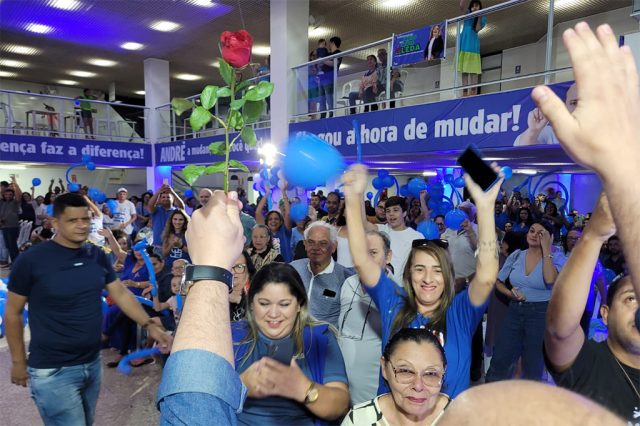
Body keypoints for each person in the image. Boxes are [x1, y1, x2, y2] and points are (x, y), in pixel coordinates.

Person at [5, 193, 171, 425]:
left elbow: (120, 293)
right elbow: (12, 313)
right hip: (53, 370)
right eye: (73, 220)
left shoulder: (96, 255)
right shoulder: (32, 260)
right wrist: (19, 362)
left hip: (91, 364)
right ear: (55, 223)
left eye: (86, 219)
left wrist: (150, 325)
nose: (82, 225)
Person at [343, 163, 503, 398]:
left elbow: (487, 275)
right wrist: (352, 198)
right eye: (420, 269)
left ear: (448, 276)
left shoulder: (460, 312)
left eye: (437, 270)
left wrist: (486, 208)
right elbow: (362, 259)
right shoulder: (394, 303)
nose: (428, 278)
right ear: (408, 274)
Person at [544, 193, 639, 423]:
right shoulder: (590, 363)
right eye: (630, 299)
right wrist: (593, 236)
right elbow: (560, 330)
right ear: (605, 314)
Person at [232, 262, 349, 424]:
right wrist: (240, 386)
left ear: (299, 305)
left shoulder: (318, 339)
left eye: (284, 304)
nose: (273, 313)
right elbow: (202, 398)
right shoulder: (232, 336)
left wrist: (303, 389)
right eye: (264, 304)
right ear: (251, 304)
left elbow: (340, 405)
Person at [485, 221, 563, 382]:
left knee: (533, 365)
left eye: (540, 233)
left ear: (549, 237)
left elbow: (550, 279)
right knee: (500, 358)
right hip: (514, 310)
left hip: (540, 315)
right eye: (532, 231)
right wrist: (509, 293)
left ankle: (528, 404)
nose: (534, 235)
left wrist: (547, 248)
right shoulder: (517, 255)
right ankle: (490, 400)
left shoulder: (557, 258)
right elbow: (498, 281)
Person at [342, 328, 451, 425]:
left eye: (430, 374)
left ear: (443, 371)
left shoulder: (464, 418)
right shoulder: (359, 420)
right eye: (405, 371)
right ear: (384, 368)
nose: (418, 386)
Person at [338, 229, 391, 405]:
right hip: (340, 385)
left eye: (373, 253)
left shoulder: (395, 296)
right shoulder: (347, 283)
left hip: (372, 391)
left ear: (388, 256)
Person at [289, 221, 355, 327]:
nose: (316, 247)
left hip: (326, 340)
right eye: (311, 242)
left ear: (334, 246)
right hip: (293, 337)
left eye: (323, 243)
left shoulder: (346, 278)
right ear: (305, 245)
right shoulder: (293, 269)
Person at [560, 227, 607, 334]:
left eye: (577, 238)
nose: (573, 241)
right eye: (570, 238)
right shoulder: (559, 257)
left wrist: (604, 302)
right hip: (561, 306)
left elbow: (601, 281)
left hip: (583, 307)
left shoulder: (591, 258)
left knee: (580, 338)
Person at [376, 196, 423, 284]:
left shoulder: (416, 237)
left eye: (395, 210)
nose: (391, 214)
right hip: (381, 286)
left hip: (403, 288)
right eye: (388, 211)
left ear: (404, 213)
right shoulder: (381, 230)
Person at [256, 185, 293, 262]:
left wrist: (283, 191)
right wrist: (267, 193)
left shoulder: (285, 231)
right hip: (269, 268)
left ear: (280, 222)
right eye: (270, 219)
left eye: (276, 219)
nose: (273, 221)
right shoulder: (265, 232)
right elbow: (258, 212)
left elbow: (288, 213)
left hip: (285, 267)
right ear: (267, 222)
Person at [458, 1, 486, 96]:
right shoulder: (468, 14)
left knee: (474, 70)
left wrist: (479, 16)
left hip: (473, 45)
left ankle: (473, 92)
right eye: (473, 6)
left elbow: (477, 29)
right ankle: (465, 92)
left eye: (477, 6)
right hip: (464, 43)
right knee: (464, 69)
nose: (474, 8)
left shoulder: (482, 17)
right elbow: (461, 6)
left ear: (480, 7)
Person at [318, 36, 342, 118]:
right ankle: (322, 115)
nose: (328, 45)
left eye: (329, 43)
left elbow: (335, 63)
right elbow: (321, 63)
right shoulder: (328, 54)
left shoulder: (338, 52)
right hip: (323, 77)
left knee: (328, 96)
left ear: (332, 43)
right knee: (322, 98)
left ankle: (332, 114)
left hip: (329, 77)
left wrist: (323, 60)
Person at [0, 176, 22, 264]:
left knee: (12, 246)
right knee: (9, 246)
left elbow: (19, 194)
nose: (8, 196)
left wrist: (14, 182)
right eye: (6, 194)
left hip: (12, 227)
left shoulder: (15, 202)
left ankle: (16, 263)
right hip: (4, 226)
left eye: (10, 194)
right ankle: (14, 263)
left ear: (13, 195)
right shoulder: (2, 202)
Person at [230, 251, 256, 321]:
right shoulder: (219, 293)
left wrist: (240, 300)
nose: (232, 272)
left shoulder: (257, 293)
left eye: (239, 266)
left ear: (248, 271)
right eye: (229, 266)